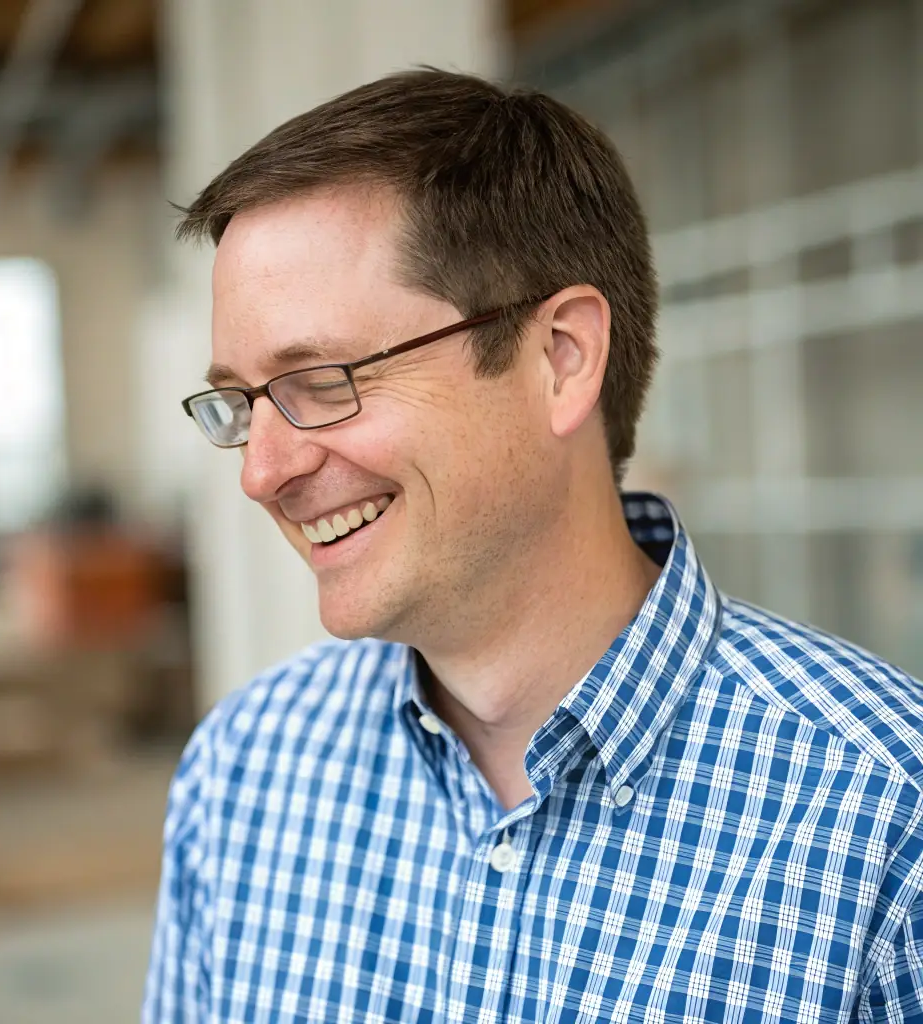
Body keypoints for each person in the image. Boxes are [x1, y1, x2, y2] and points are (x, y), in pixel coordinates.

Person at [143, 69, 923, 1023]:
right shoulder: (243, 776)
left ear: (562, 358)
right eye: (241, 402)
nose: (261, 472)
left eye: (324, 379)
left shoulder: (888, 823)